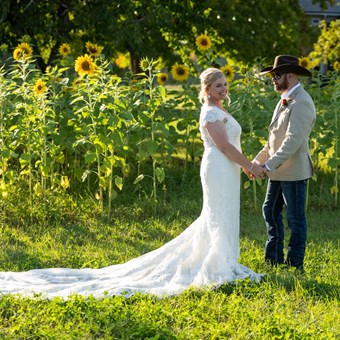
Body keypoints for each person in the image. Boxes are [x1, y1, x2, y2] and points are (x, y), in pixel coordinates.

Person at [0, 68, 265, 299]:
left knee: (224, 213)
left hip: (228, 168)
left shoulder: (220, 109)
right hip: (219, 167)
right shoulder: (209, 113)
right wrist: (248, 165)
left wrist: (243, 165)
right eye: (218, 85)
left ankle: (227, 260)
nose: (223, 88)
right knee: (216, 215)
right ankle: (217, 264)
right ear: (206, 89)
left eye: (225, 84)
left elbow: (230, 146)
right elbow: (223, 146)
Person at [254, 55, 316, 272]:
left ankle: (295, 264)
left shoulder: (302, 101)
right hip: (278, 170)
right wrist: (257, 161)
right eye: (272, 75)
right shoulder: (284, 99)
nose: (273, 79)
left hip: (294, 172)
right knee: (269, 210)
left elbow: (292, 141)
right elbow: (273, 139)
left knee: (295, 218)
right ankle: (273, 260)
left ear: (291, 75)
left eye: (276, 75)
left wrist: (268, 165)